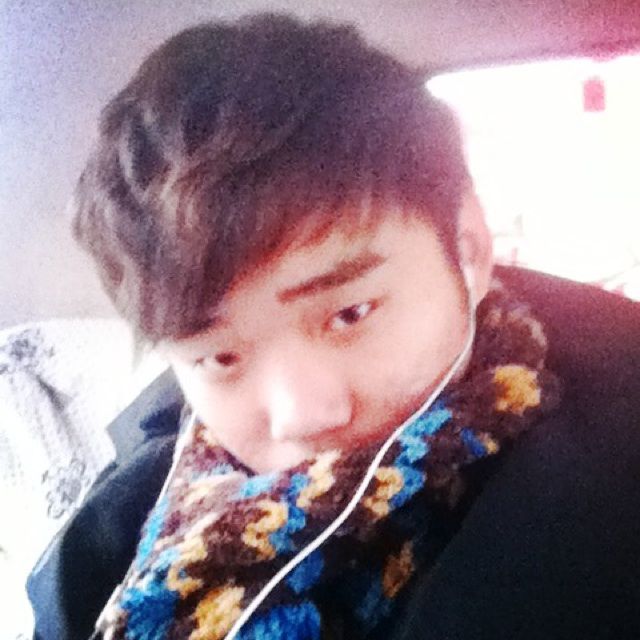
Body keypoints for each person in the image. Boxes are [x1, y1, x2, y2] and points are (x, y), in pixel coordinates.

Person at [27, 12, 640, 640]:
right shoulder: (124, 521)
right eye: (220, 357)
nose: (302, 417)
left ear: (468, 248)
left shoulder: (611, 510)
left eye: (350, 314)